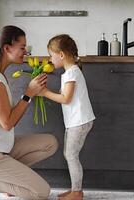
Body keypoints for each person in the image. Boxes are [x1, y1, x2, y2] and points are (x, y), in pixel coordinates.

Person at [0, 25, 59, 200]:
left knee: (50, 143)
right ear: (7, 48)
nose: (26, 52)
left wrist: (30, 93)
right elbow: (7, 123)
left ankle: (8, 182)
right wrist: (29, 93)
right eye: (22, 47)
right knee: (41, 192)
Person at [39, 34, 96, 200]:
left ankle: (77, 192)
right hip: (76, 121)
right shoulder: (71, 72)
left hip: (79, 122)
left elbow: (66, 98)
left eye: (51, 55)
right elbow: (67, 96)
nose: (50, 59)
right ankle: (74, 190)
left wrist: (44, 93)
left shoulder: (71, 73)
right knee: (69, 154)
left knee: (71, 155)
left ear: (61, 55)